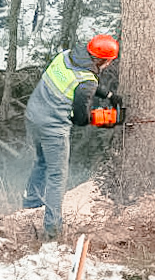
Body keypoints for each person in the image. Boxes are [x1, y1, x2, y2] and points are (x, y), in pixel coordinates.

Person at [22, 34, 121, 240]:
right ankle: (53, 229)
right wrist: (108, 118)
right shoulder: (87, 82)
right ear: (104, 61)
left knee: (41, 162)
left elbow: (78, 82)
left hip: (33, 115)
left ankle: (30, 205)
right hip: (52, 127)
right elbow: (81, 118)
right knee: (57, 175)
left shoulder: (66, 56)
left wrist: (109, 96)